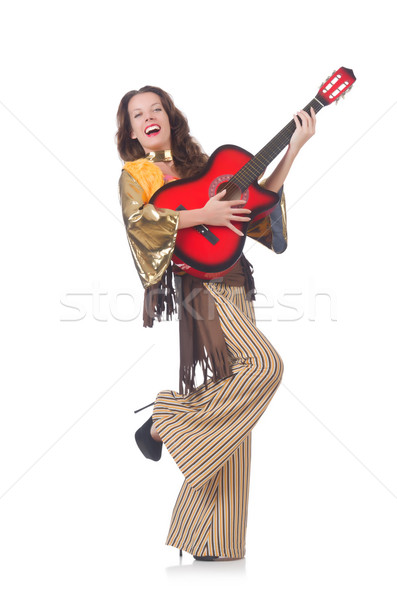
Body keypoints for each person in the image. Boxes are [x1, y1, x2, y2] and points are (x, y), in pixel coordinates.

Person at [116, 85, 316, 561]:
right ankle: (164, 417)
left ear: (170, 115)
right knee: (264, 366)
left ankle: (216, 542)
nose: (148, 117)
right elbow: (139, 224)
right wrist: (201, 214)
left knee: (236, 408)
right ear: (129, 130)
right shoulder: (135, 174)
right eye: (137, 114)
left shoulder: (202, 165)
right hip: (198, 286)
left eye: (156, 108)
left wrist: (293, 151)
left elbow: (257, 205)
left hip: (235, 279)